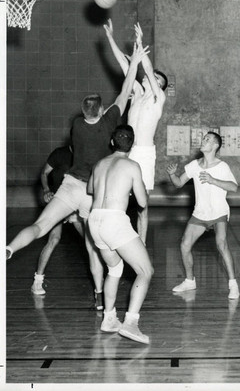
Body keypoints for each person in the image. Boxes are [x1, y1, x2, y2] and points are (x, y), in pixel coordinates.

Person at [6, 42, 149, 310]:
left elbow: (97, 109)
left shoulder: (76, 125)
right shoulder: (108, 124)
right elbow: (125, 91)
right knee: (93, 249)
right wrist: (135, 63)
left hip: (69, 186)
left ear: (83, 113)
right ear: (102, 111)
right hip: (90, 194)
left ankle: (8, 249)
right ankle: (98, 296)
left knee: (40, 227)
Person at [87, 124, 153, 344]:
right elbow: (143, 203)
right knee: (145, 271)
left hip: (94, 220)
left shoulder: (99, 164)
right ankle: (131, 323)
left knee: (115, 268)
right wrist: (135, 185)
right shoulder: (132, 165)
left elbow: (90, 189)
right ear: (132, 145)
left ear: (112, 142)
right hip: (114, 221)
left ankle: (109, 318)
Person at [104, 19, 167, 244]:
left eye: (156, 78)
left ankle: (141, 242)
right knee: (118, 195)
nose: (151, 77)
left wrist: (140, 45)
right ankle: (116, 235)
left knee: (142, 203)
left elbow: (147, 69)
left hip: (144, 153)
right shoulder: (138, 93)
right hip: (125, 150)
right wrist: (111, 37)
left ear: (159, 84)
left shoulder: (158, 98)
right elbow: (124, 65)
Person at [167, 132, 240, 299]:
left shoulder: (222, 166)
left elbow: (234, 187)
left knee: (221, 245)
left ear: (215, 146)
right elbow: (178, 183)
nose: (203, 141)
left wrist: (213, 180)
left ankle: (233, 284)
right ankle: (189, 281)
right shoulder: (194, 165)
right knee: (185, 245)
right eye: (204, 138)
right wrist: (172, 175)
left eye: (207, 139)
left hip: (219, 212)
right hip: (200, 213)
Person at [31, 144, 85, 295]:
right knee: (54, 239)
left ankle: (101, 283)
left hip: (76, 204)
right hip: (58, 202)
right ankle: (37, 281)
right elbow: (44, 173)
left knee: (90, 242)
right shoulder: (60, 154)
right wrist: (47, 189)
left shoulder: (85, 153)